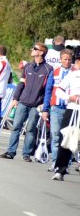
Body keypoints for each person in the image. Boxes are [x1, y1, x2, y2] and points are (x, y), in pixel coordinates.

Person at [0, 42, 53, 161]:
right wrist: (15, 98)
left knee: (30, 129)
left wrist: (44, 104)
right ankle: (11, 152)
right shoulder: (28, 66)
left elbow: (49, 89)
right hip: (23, 102)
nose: (32, 50)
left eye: (34, 49)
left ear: (41, 52)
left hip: (36, 105)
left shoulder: (48, 69)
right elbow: (21, 84)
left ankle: (26, 154)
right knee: (16, 127)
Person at [51, 47, 80, 181]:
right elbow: (58, 91)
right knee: (66, 138)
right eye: (78, 60)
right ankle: (60, 169)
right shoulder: (72, 75)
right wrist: (70, 98)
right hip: (72, 109)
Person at [43, 48, 74, 171]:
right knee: (55, 136)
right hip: (55, 108)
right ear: (60, 59)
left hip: (70, 109)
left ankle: (65, 164)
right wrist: (45, 109)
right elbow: (48, 91)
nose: (67, 62)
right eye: (65, 59)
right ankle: (55, 162)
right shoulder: (54, 72)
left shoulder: (76, 72)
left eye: (69, 60)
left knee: (67, 137)